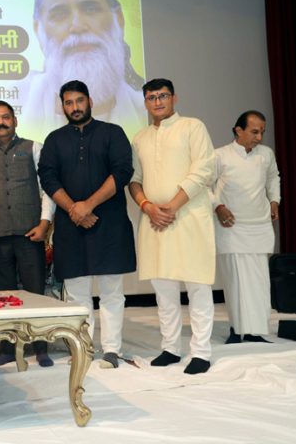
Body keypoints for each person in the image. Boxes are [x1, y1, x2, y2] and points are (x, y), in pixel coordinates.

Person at [38, 80, 135, 369]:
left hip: (109, 224)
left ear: (90, 101)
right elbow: (48, 177)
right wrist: (73, 209)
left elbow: (122, 172)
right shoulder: (54, 140)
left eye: (79, 101)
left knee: (111, 291)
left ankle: (112, 350)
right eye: (68, 103)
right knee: (77, 293)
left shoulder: (112, 133)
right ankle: (83, 347)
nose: (75, 107)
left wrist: (88, 205)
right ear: (62, 106)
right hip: (71, 225)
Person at [129, 78, 216, 375]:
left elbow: (204, 169)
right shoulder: (140, 137)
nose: (157, 101)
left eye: (163, 95)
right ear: (145, 102)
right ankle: (170, 348)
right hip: (155, 221)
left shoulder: (193, 127)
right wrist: (148, 207)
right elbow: (135, 179)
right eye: (151, 97)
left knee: (197, 286)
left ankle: (201, 352)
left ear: (174, 98)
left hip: (189, 216)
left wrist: (172, 205)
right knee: (163, 288)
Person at [0, 100, 56, 368]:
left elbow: (48, 190)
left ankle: (41, 347)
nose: (1, 122)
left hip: (29, 234)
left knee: (36, 293)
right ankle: (8, 348)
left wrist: (45, 223)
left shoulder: (34, 148)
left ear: (15, 120)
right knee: (2, 296)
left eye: (6, 117)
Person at [22, 0, 146, 138]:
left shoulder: (146, 112)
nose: (78, 25)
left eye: (90, 9)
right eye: (59, 14)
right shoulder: (18, 100)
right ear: (38, 29)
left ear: (119, 18)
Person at [212, 110, 281, 344]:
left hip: (259, 224)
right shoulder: (220, 155)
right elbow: (206, 186)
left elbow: (273, 178)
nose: (259, 137)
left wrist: (274, 200)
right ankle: (237, 329)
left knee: (259, 280)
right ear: (238, 130)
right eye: (254, 131)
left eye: (262, 131)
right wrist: (218, 206)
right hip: (231, 226)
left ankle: (255, 330)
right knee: (235, 280)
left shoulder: (266, 154)